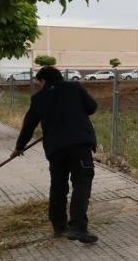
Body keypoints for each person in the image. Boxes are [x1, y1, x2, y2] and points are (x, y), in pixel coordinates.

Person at [13, 65, 100, 244]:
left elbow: (29, 124)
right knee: (81, 184)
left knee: (59, 186)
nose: (38, 86)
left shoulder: (38, 99)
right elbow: (92, 107)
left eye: (39, 83)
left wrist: (19, 147)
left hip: (56, 149)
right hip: (79, 145)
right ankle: (77, 227)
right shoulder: (75, 88)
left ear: (44, 80)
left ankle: (59, 227)